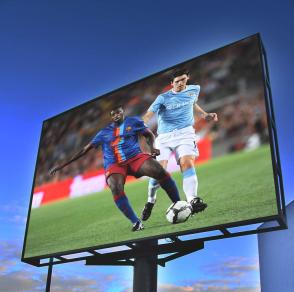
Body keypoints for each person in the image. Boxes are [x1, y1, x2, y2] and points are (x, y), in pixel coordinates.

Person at [50, 106, 181, 231]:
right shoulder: (103, 133)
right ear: (111, 117)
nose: (116, 115)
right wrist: (63, 165)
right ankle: (136, 222)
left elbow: (148, 134)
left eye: (118, 112)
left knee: (159, 171)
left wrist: (151, 147)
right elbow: (85, 149)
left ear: (123, 112)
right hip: (114, 164)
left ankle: (178, 204)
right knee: (115, 188)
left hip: (135, 157)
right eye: (113, 114)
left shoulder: (134, 121)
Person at [141, 68, 218, 221]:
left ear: (187, 79)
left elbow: (193, 104)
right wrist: (140, 126)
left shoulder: (194, 90)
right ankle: (150, 201)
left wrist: (205, 115)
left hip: (185, 134)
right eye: (177, 81)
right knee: (158, 172)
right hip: (164, 137)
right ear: (171, 83)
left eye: (183, 80)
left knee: (187, 163)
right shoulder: (162, 98)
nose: (180, 83)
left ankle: (192, 199)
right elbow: (148, 115)